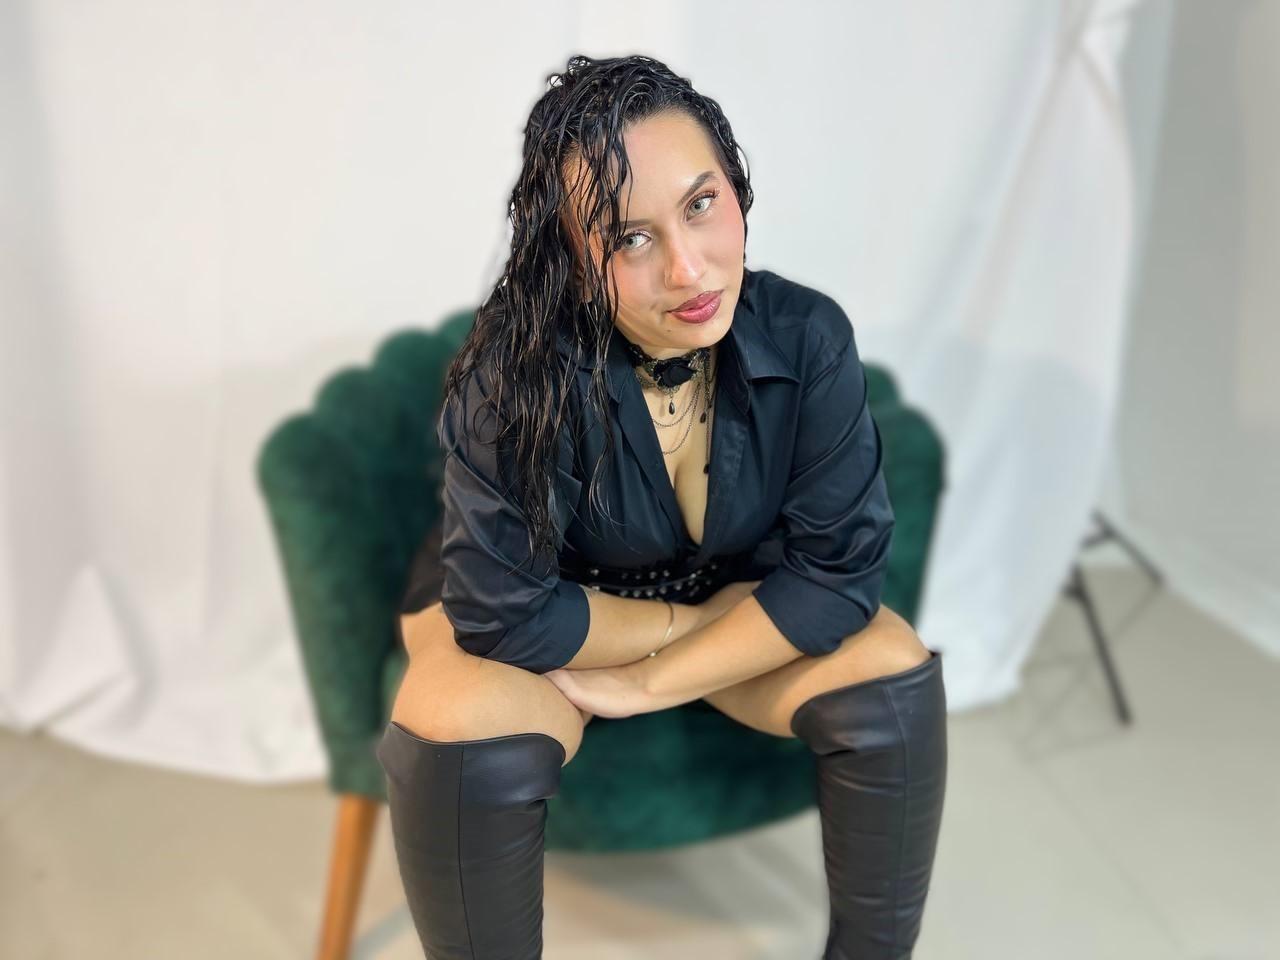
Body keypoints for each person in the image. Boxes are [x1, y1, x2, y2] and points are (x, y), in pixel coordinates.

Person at [376, 53, 948, 960]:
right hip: (532, 606)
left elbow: (841, 573)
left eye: (701, 204)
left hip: (710, 594)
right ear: (571, 259)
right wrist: (702, 625)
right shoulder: (510, 374)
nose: (688, 268)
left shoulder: (807, 335)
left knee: (891, 671)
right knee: (460, 724)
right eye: (629, 239)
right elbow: (503, 611)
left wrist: (647, 681)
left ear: (737, 189)